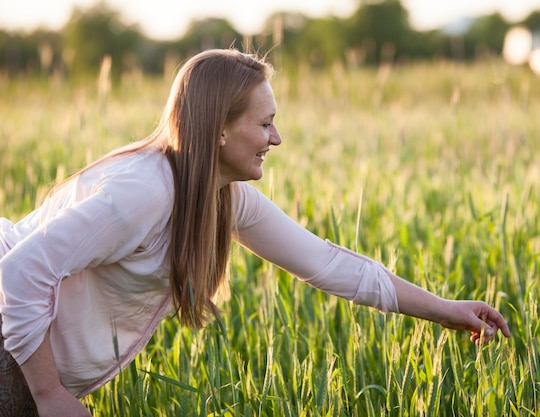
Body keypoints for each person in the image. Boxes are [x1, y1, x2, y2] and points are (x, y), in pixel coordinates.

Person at [0, 48, 510, 417]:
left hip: (25, 365)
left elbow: (331, 265)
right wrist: (51, 395)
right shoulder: (145, 192)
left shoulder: (223, 197)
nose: (277, 138)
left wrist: (448, 312)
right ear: (219, 130)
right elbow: (19, 272)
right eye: (265, 124)